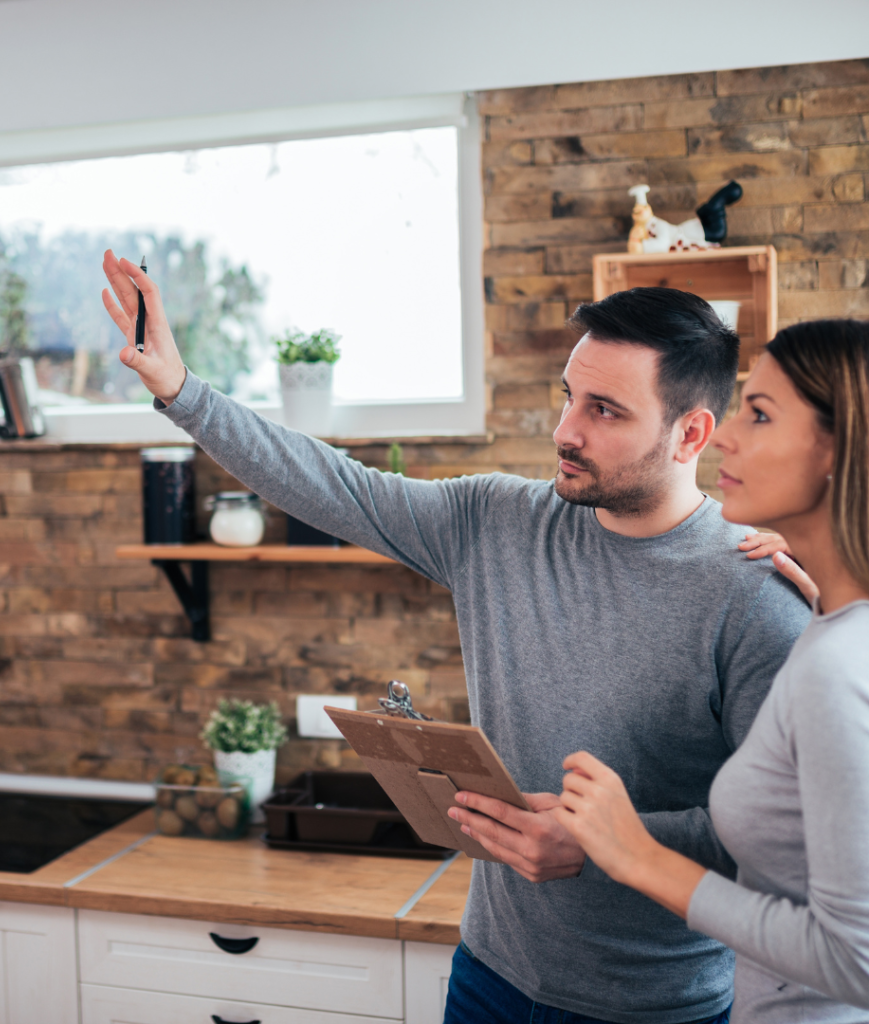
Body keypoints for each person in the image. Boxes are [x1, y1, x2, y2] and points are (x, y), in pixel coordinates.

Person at [101, 250, 810, 1024]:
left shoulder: (756, 596)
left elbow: (785, 833)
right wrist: (181, 389)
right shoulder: (495, 521)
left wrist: (605, 843)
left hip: (654, 1007)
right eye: (569, 397)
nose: (564, 431)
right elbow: (335, 486)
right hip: (489, 977)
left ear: (691, 433)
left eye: (605, 410)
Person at [547, 319, 869, 1023]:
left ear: (838, 453)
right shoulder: (829, 625)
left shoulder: (836, 662)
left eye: (758, 414)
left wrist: (636, 855)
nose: (723, 435)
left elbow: (859, 962)